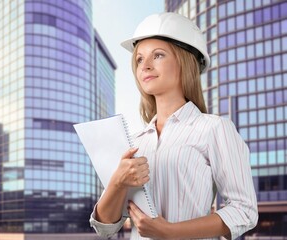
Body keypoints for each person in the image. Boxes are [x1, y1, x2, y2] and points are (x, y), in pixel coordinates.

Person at [89, 12, 258, 240]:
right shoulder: (135, 143)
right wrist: (117, 182)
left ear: (185, 62)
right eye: (139, 59)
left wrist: (169, 231)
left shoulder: (215, 129)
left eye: (158, 55)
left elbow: (244, 210)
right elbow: (105, 227)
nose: (145, 66)